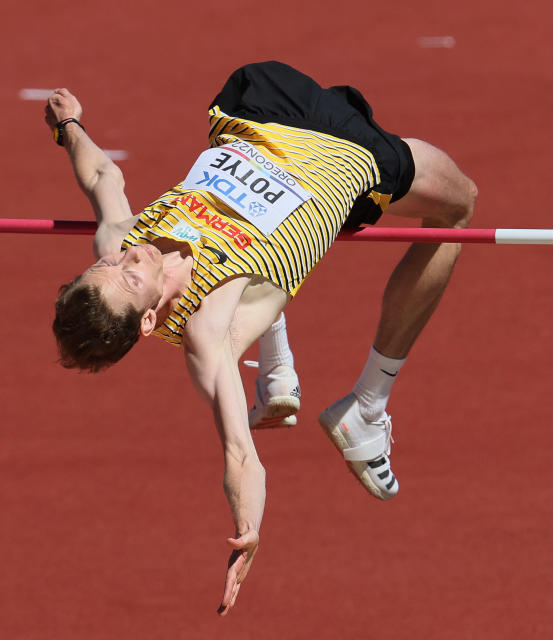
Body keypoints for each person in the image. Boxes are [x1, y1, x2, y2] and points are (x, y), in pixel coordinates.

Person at [46, 61, 477, 615]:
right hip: (345, 159)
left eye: (108, 262)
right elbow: (239, 455)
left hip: (258, 118)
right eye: (130, 276)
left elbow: (103, 177)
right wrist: (246, 526)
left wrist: (69, 128)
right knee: (459, 201)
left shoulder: (122, 241)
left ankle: (277, 369)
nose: (133, 253)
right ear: (148, 319)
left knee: (257, 72)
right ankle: (367, 404)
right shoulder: (206, 330)